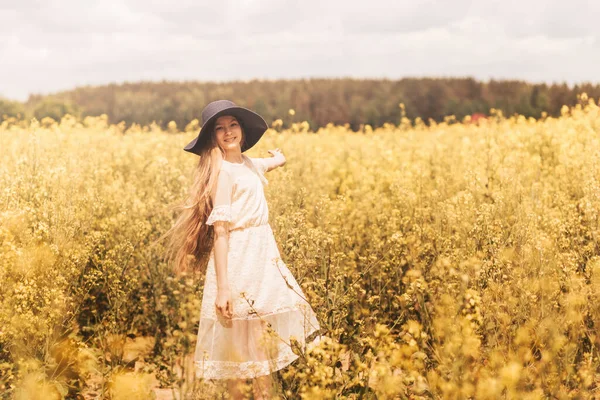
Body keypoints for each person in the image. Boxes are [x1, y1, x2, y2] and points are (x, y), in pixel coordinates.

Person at [165, 100, 321, 399]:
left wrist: (280, 158)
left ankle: (264, 396)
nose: (228, 132)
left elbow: (267, 164)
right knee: (237, 342)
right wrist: (223, 288)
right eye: (220, 128)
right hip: (239, 257)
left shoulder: (248, 164)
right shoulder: (222, 173)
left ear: (242, 130)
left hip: (263, 255)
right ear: (213, 137)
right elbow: (221, 232)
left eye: (232, 125)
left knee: (261, 336)